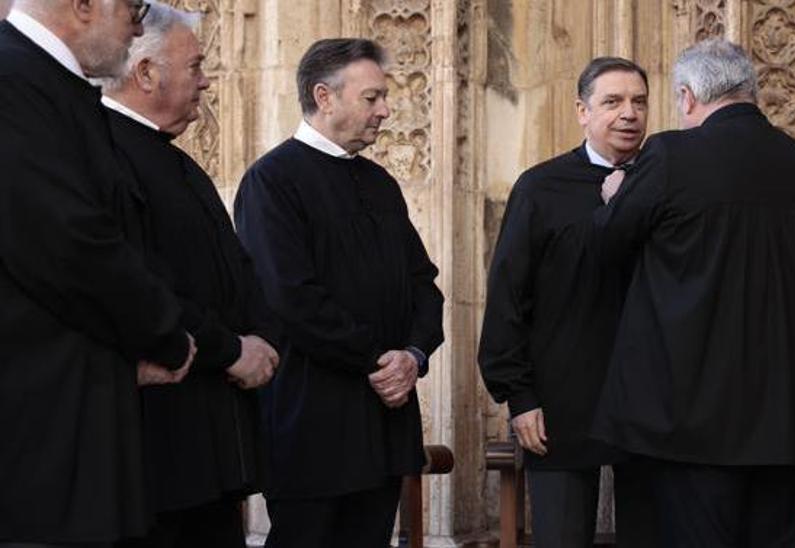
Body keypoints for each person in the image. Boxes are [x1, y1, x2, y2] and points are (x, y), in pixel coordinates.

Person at [591, 38, 795, 548]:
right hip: (789, 417)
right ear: (750, 91)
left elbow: (610, 247)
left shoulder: (670, 154)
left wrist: (616, 197)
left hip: (692, 422)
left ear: (686, 97)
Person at [0, 1, 198, 546]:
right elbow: (71, 242)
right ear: (83, 5)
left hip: (75, 421)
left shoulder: (49, 85)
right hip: (40, 441)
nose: (138, 24)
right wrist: (166, 334)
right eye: (132, 6)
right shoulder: (14, 80)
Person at [234, 38, 445, 548]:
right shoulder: (272, 180)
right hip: (314, 423)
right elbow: (291, 297)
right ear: (324, 96)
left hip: (384, 419)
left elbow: (424, 286)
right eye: (371, 98)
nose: (385, 111)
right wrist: (379, 360)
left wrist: (413, 355)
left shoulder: (380, 184)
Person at [101, 4, 278, 547]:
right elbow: (139, 285)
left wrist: (260, 341)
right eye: (196, 65)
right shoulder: (105, 152)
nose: (206, 81)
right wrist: (230, 350)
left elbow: (234, 274)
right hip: (157, 449)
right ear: (146, 71)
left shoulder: (176, 161)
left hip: (211, 447)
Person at [479, 56, 655, 547]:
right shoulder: (541, 187)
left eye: (639, 102)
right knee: (560, 537)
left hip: (653, 402)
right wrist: (519, 395)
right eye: (612, 101)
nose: (628, 114)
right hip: (559, 401)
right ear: (582, 110)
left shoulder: (667, 182)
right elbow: (509, 295)